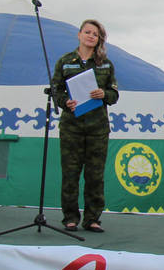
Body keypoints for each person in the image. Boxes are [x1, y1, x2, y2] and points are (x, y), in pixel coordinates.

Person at [51, 19, 119, 232]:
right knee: (70, 174)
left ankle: (92, 219)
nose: (91, 36)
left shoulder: (105, 64)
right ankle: (70, 218)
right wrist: (65, 102)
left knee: (95, 175)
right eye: (87, 32)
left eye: (95, 34)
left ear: (99, 39)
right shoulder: (65, 62)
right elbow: (56, 90)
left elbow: (114, 94)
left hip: (97, 129)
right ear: (79, 35)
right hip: (71, 127)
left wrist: (103, 94)